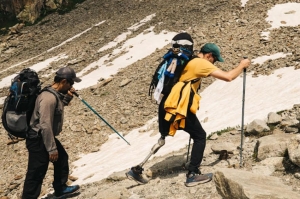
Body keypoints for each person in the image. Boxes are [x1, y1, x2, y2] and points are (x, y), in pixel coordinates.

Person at [126, 43, 250, 187]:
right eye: (214, 60)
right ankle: (193, 174)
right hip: (178, 107)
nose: (214, 63)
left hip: (167, 104)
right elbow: (228, 77)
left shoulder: (189, 60)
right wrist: (242, 65)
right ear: (209, 56)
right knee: (200, 136)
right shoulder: (201, 63)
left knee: (163, 138)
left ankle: (136, 169)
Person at [22, 67, 81, 198]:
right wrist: (51, 148)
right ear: (64, 81)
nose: (72, 86)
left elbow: (56, 110)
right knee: (37, 172)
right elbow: (45, 124)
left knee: (62, 158)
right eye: (71, 83)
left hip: (43, 137)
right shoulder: (48, 98)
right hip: (38, 139)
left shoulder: (54, 94)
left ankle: (60, 189)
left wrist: (67, 98)